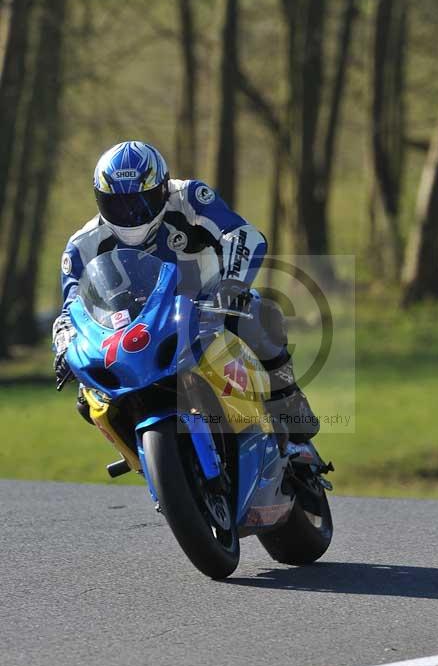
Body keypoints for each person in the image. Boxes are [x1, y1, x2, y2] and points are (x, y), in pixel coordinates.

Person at [52, 140, 319, 443]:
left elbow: (243, 235)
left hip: (209, 303)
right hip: (134, 329)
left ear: (163, 188)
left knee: (259, 314)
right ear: (99, 199)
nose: (130, 214)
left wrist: (231, 284)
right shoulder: (82, 244)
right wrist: (63, 346)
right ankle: (146, 451)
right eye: (117, 204)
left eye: (141, 201)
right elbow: (71, 309)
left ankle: (287, 396)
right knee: (87, 400)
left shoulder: (190, 197)